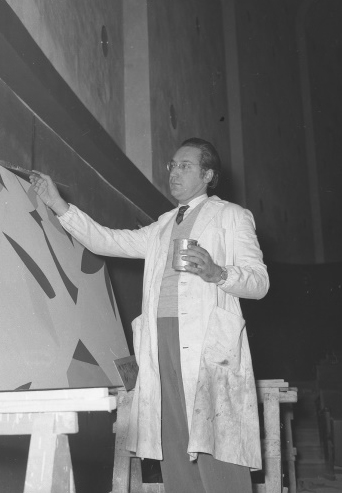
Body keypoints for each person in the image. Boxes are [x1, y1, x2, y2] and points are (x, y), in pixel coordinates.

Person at [30, 137, 269, 493]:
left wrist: (219, 273)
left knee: (216, 438)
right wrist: (58, 204)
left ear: (207, 175)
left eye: (185, 166)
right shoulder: (163, 225)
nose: (174, 173)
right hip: (160, 339)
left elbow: (260, 282)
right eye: (173, 165)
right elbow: (106, 241)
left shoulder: (231, 216)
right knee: (172, 438)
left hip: (207, 341)